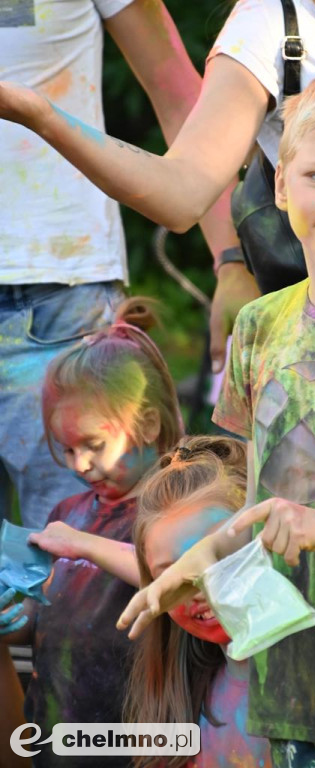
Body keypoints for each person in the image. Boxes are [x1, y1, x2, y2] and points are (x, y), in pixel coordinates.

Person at [0, 2, 315, 763]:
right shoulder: (265, 329)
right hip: (301, 683)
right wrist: (41, 116)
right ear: (280, 187)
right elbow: (244, 519)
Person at [0, 0, 242, 532]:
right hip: (58, 292)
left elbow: (180, 97)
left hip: (59, 295)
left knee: (90, 563)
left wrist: (232, 259)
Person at [0, 297, 182, 767]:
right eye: (66, 449)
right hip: (61, 736)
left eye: (94, 445)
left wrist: (82, 545)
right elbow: (47, 620)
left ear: (146, 423)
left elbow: (178, 580)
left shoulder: (176, 506)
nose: (80, 465)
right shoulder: (69, 511)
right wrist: (14, 620)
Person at [29, 435, 271, 768]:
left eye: (217, 558)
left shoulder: (300, 663)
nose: (199, 587)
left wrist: (84, 543)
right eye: (172, 577)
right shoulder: (182, 695)